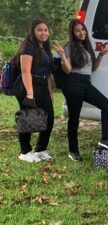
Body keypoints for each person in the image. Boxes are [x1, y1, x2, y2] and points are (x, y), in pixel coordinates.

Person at [53, 19, 108, 161]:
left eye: (83, 30)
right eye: (77, 31)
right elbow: (67, 70)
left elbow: (92, 68)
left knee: (106, 105)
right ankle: (73, 151)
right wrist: (62, 55)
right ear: (72, 33)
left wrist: (100, 55)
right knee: (74, 119)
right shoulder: (69, 47)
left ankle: (106, 139)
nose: (81, 33)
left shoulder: (86, 46)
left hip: (86, 83)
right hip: (73, 83)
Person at [13, 19, 54, 163]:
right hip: (28, 85)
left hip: (42, 85)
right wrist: (30, 93)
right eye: (40, 30)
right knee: (28, 117)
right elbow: (25, 71)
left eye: (46, 30)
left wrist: (49, 92)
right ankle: (25, 151)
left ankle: (41, 149)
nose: (43, 33)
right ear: (33, 31)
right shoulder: (28, 46)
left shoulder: (45, 48)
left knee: (49, 118)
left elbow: (48, 73)